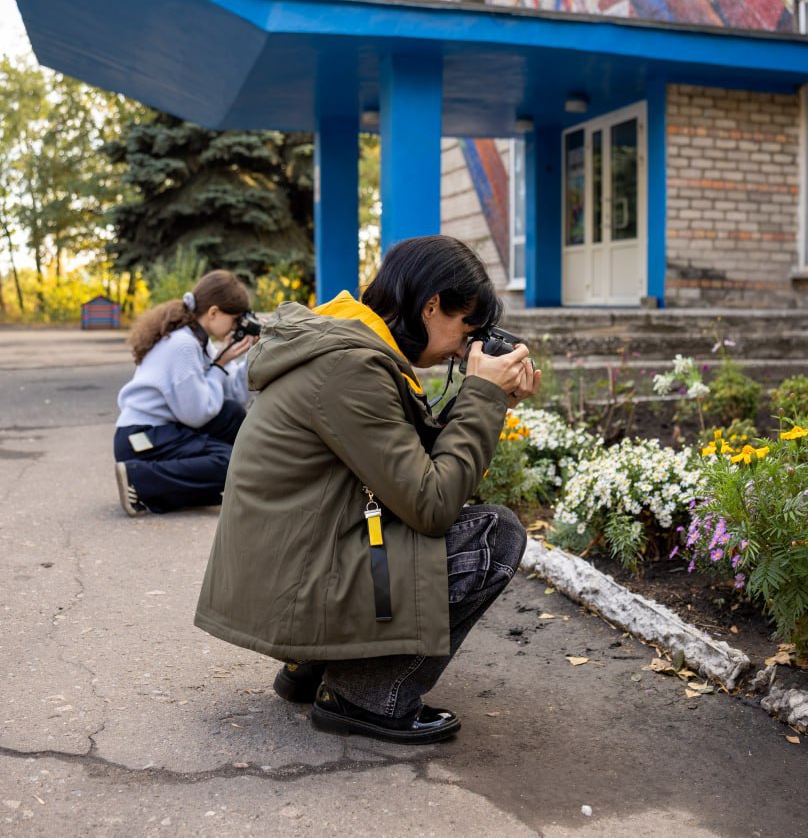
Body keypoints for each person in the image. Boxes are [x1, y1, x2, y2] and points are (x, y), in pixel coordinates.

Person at [194, 235, 541, 744]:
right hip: (292, 584)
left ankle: (310, 666)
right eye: (467, 325)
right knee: (495, 537)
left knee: (445, 528)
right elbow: (433, 505)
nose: (467, 344)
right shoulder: (351, 366)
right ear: (431, 306)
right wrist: (483, 395)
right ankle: (366, 695)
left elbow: (411, 472)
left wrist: (494, 398)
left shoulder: (348, 343)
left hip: (287, 571)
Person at [113, 269, 256, 516]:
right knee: (230, 462)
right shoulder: (183, 345)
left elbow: (234, 395)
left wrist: (252, 354)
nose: (236, 326)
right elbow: (197, 414)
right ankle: (139, 479)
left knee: (231, 414)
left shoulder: (200, 343)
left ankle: (193, 488)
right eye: (235, 320)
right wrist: (219, 365)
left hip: (166, 431)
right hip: (141, 438)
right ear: (213, 313)